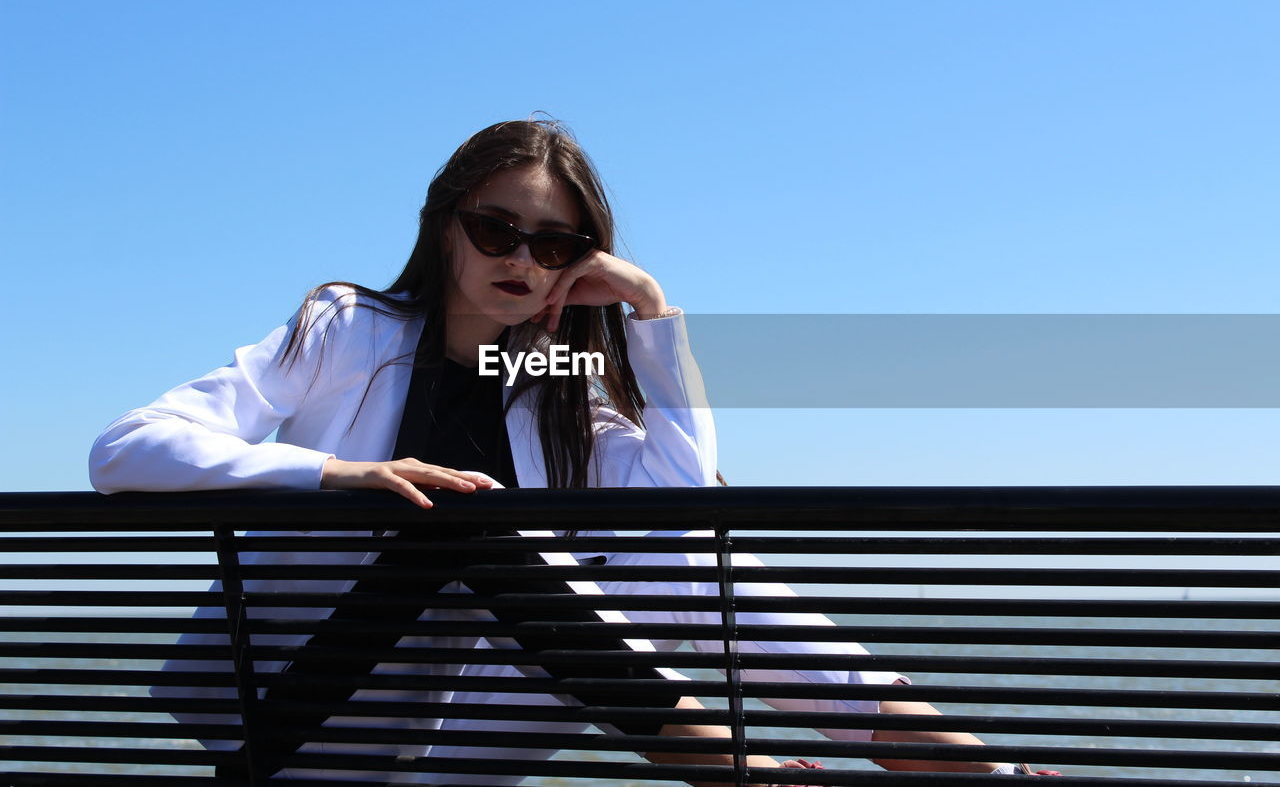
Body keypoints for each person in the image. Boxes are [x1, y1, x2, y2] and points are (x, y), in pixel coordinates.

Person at [89, 118, 1054, 782]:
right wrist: (348, 477)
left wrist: (649, 314)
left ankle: (983, 773)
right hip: (306, 718)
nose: (520, 259)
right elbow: (127, 448)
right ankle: (750, 772)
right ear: (445, 225)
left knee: (687, 566)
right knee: (470, 515)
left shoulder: (558, 379)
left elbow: (685, 526)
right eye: (497, 228)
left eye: (555, 246)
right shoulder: (349, 331)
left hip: (454, 734)